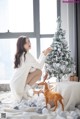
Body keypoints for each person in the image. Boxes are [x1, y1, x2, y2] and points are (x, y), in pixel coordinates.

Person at [10, 36, 52, 102]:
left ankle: (25, 90)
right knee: (39, 72)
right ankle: (25, 91)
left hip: (14, 84)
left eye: (29, 41)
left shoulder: (21, 55)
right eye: (26, 43)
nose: (28, 43)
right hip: (18, 86)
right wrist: (45, 54)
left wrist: (43, 54)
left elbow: (33, 68)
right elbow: (39, 66)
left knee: (36, 71)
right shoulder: (27, 55)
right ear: (22, 45)